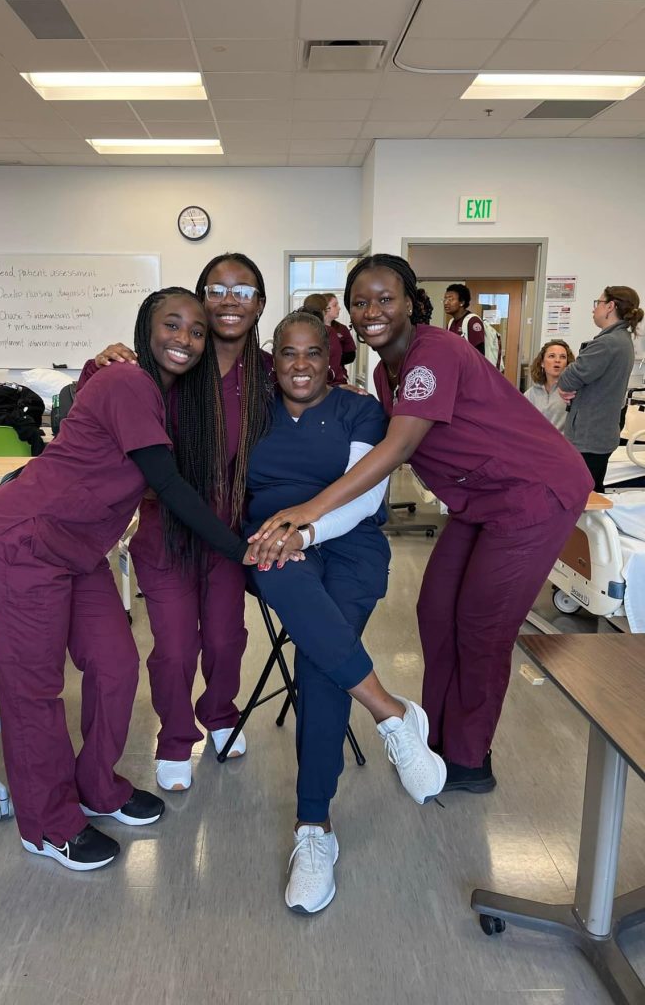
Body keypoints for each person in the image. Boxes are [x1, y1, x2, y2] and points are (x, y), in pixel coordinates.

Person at [251, 255, 593, 796]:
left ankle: (467, 758)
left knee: (482, 627)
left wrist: (309, 511)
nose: (371, 312)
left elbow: (401, 445)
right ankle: (429, 735)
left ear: (410, 301)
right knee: (436, 611)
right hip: (479, 499)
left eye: (385, 299)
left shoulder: (433, 352)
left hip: (533, 492)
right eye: (360, 302)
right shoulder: (390, 373)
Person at [0, 287, 273, 872]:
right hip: (24, 541)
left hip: (79, 549)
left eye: (196, 331)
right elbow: (171, 485)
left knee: (115, 664)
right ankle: (47, 823)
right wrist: (240, 551)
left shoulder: (159, 391)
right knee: (35, 690)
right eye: (171, 325)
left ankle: (96, 786)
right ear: (144, 328)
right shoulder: (131, 382)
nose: (184, 339)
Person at [245, 310, 446, 914]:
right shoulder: (253, 414)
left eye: (312, 353)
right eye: (287, 353)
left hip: (349, 546)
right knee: (271, 566)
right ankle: (391, 715)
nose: (300, 365)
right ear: (271, 358)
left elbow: (364, 498)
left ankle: (315, 830)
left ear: (330, 357)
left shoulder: (360, 409)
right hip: (273, 551)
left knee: (318, 662)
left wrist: (304, 533)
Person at [84, 254, 275, 795]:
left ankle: (218, 713)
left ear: (260, 303)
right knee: (173, 646)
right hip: (165, 531)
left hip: (230, 533)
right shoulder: (168, 365)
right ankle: (173, 738)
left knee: (225, 638)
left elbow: (308, 393)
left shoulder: (262, 373)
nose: (229, 299)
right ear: (199, 297)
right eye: (217, 288)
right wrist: (99, 363)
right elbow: (100, 403)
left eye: (244, 289)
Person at [557, 286, 643, 493]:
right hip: (599, 433)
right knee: (592, 492)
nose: (593, 310)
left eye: (598, 303)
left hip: (589, 436)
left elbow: (568, 379)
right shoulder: (622, 341)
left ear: (610, 306)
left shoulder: (607, 344)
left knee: (584, 497)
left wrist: (568, 384)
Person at [524, 340, 575, 432]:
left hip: (563, 444)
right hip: (536, 444)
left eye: (563, 357)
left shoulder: (572, 392)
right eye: (552, 356)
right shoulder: (530, 394)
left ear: (567, 363)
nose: (557, 360)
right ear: (542, 363)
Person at [303, 293, 348, 385]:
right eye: (333, 306)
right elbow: (335, 359)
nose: (339, 308)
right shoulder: (328, 332)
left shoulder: (298, 330)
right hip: (330, 384)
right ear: (324, 311)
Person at [444, 283, 485, 354]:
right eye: (445, 299)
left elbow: (479, 354)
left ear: (462, 302)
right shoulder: (451, 322)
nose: (446, 302)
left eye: (450, 299)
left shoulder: (473, 321)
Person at [323, 291, 357, 368]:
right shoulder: (312, 328)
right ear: (325, 308)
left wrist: (332, 360)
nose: (339, 308)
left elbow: (351, 355)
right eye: (335, 305)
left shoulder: (342, 329)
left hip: (338, 374)